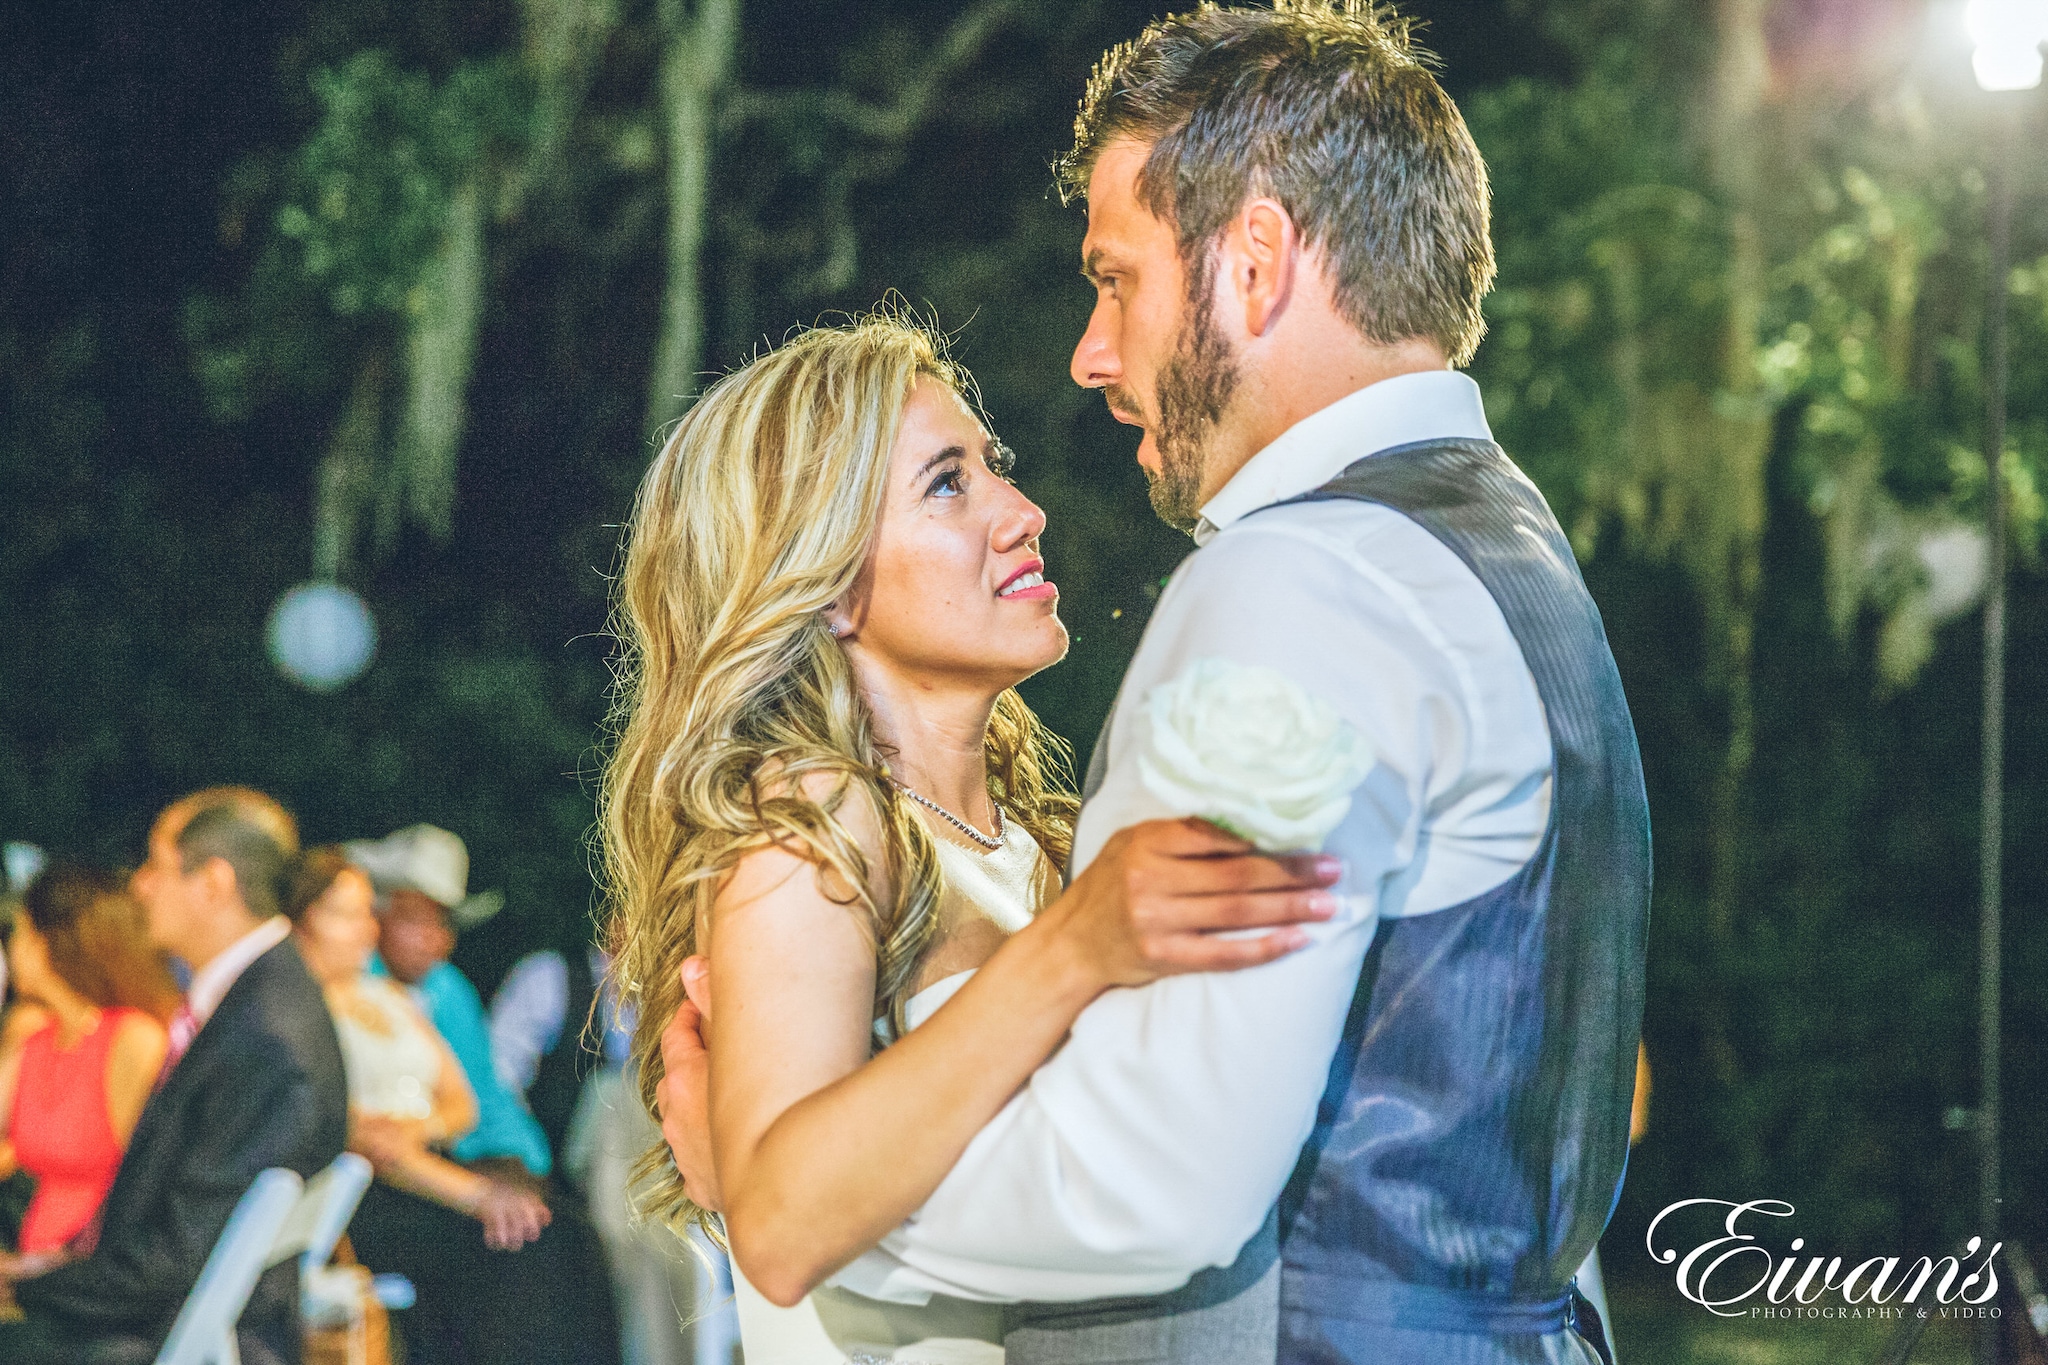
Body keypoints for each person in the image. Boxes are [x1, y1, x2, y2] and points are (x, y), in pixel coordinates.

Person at [654, 7, 1651, 1364]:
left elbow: (1151, 1178)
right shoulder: (1506, 551)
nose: (1092, 353)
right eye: (950, 481)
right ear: (823, 579)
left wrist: (783, 1196)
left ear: (1252, 267)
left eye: (1116, 280)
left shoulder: (1305, 585)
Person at [602, 312, 1342, 1363]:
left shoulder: (1042, 846)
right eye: (947, 484)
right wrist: (1073, 948)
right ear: (821, 575)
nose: (1023, 512)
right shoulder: (811, 824)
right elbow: (784, 1221)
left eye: (992, 469)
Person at [0, 786, 349, 1365]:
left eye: (156, 864)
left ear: (213, 883)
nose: (139, 885)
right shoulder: (263, 1001)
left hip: (170, 1333)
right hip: (174, 1311)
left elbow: (180, 1255)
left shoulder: (268, 1036)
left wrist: (24, 1286)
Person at [299, 844, 621, 1365]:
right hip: (367, 1188)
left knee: (565, 1238)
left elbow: (464, 1102)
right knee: (516, 1249)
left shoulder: (393, 997)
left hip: (426, 1162)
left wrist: (418, 1130)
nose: (367, 930)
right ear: (302, 923)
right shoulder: (307, 1007)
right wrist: (477, 1193)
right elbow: (357, 1135)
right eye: (354, 915)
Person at [493, 938, 742, 1365]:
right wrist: (518, 1158)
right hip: (577, 1176)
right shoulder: (554, 977)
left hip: (682, 1169)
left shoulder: (696, 986)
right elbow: (496, 1081)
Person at [347, 825, 554, 1178]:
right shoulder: (351, 976)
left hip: (456, 1160)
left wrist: (519, 1162)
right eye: (414, 918)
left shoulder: (447, 988)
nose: (433, 938)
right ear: (376, 916)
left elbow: (486, 1092)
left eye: (443, 921)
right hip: (376, 1168)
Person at [0, 865, 175, 1274]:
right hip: (34, 1265)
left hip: (97, 1270)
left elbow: (145, 1179)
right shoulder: (37, 1035)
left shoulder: (132, 1037)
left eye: (21, 932)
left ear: (49, 942)